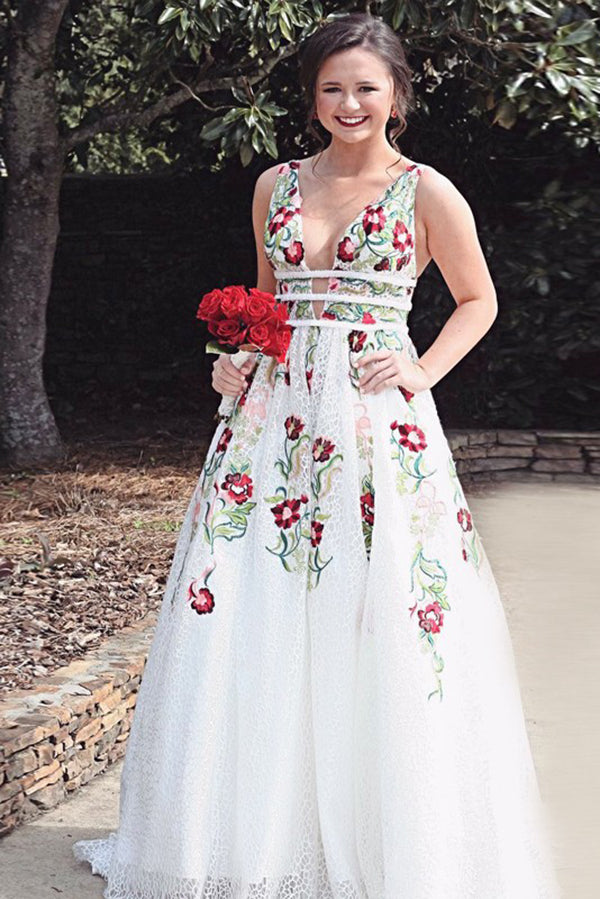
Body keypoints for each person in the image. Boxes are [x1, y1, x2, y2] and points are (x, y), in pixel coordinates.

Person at [73, 12, 562, 898]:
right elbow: (266, 302)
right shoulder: (274, 186)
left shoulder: (428, 193)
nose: (349, 103)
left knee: (378, 606)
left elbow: (478, 299)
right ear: (312, 97)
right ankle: (256, 828)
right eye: (332, 87)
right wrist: (237, 361)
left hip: (378, 426)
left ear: (397, 95)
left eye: (366, 87)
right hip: (273, 422)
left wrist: (419, 368)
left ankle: (387, 832)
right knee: (255, 598)